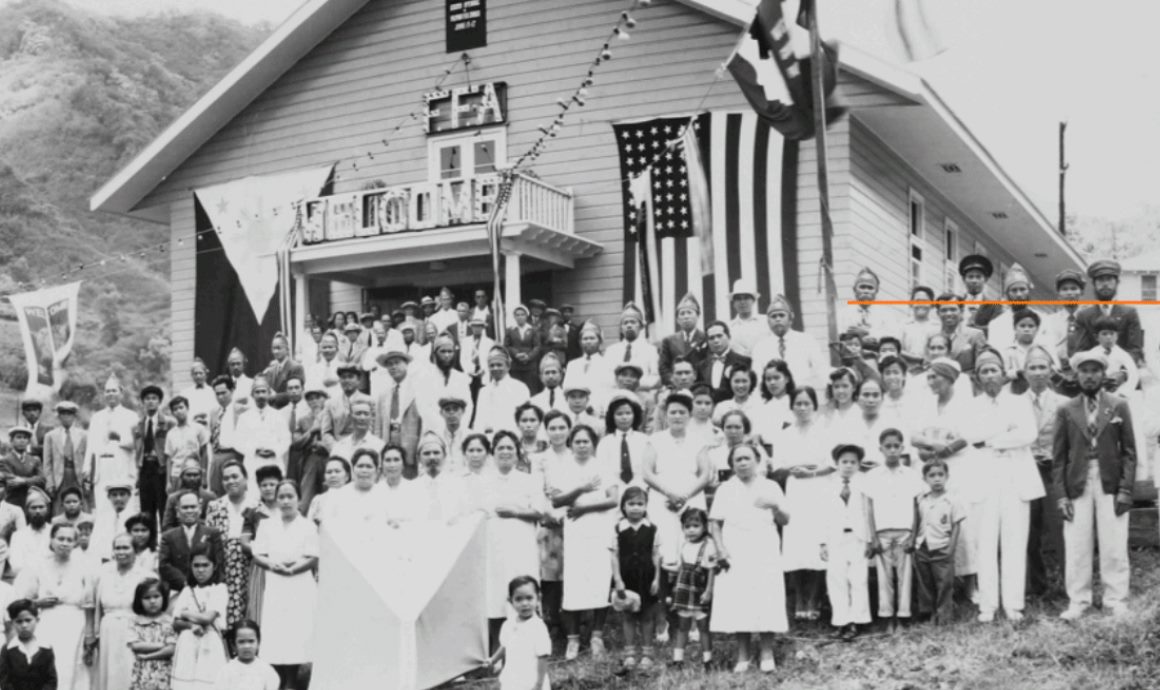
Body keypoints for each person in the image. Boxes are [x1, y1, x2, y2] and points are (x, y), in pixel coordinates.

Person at [1054, 350, 1136, 620]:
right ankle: (1079, 600)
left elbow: (1129, 452)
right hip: (1078, 478)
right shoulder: (1067, 409)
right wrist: (1062, 496)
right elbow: (1058, 458)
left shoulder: (1118, 405)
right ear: (1076, 376)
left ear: (1103, 374)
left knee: (1113, 541)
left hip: (1109, 480)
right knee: (1077, 542)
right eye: (1084, 371)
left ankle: (1115, 598)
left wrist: (1125, 489)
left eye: (1095, 370)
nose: (1090, 376)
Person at [968, 350, 1041, 623]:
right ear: (977, 378)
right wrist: (1005, 431)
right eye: (984, 372)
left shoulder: (1018, 402)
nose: (990, 376)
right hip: (984, 476)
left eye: (994, 370)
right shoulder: (972, 406)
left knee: (1014, 540)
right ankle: (987, 605)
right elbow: (970, 435)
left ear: (1003, 374)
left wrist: (991, 440)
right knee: (985, 542)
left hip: (1014, 476)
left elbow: (1028, 434)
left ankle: (1013, 603)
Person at [710, 442, 788, 673]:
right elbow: (714, 522)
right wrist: (720, 548)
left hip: (764, 544)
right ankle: (743, 655)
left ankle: (766, 652)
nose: (743, 463)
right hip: (735, 546)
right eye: (738, 460)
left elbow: (785, 520)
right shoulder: (725, 488)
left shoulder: (771, 485)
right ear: (732, 464)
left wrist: (775, 507)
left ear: (757, 460)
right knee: (739, 598)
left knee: (767, 595)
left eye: (747, 458)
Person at [553, 425, 618, 662]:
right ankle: (573, 639)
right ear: (571, 444)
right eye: (577, 442)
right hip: (575, 530)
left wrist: (585, 507)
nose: (582, 445)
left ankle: (596, 636)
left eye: (586, 441)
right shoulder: (563, 467)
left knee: (600, 580)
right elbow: (557, 499)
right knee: (574, 583)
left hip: (599, 528)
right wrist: (580, 489)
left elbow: (613, 500)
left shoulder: (603, 467)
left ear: (593, 443)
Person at [770, 387, 832, 620]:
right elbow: (778, 466)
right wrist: (792, 470)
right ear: (792, 406)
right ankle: (799, 599)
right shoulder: (785, 434)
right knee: (795, 545)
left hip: (819, 489)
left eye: (807, 403)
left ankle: (815, 598)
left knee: (817, 543)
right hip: (794, 490)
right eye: (798, 403)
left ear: (815, 406)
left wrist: (813, 473)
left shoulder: (824, 431)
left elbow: (832, 464)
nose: (803, 408)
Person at [251, 480, 318, 687]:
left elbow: (313, 557)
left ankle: (293, 681)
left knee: (297, 633)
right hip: (276, 584)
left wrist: (293, 569)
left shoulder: (308, 526)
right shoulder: (267, 524)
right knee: (277, 633)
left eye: (290, 496)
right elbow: (257, 554)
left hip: (300, 585)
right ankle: (279, 681)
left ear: (299, 499)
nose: (286, 501)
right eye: (282, 497)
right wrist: (273, 565)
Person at [483, 432, 543, 653]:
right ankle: (499, 651)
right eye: (500, 448)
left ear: (518, 453)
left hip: (521, 543)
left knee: (522, 589)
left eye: (510, 448)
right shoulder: (484, 481)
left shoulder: (529, 479)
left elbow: (539, 511)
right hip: (494, 546)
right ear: (493, 452)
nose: (506, 452)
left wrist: (515, 511)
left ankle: (526, 648)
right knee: (496, 595)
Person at [14, 523, 92, 690]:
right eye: (60, 538)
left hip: (75, 624)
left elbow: (89, 603)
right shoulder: (39, 565)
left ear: (75, 543)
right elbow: (23, 600)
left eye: (69, 539)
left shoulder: (84, 566)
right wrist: (37, 603)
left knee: (73, 668)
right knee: (48, 666)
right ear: (52, 540)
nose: (64, 543)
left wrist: (90, 634)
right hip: (47, 623)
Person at [645, 393, 712, 582]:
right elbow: (647, 472)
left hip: (691, 496)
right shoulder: (655, 440)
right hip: (662, 497)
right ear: (666, 415)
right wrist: (669, 493)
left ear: (689, 415)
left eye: (682, 412)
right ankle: (662, 595)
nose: (677, 416)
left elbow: (705, 474)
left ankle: (688, 597)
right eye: (673, 412)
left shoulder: (698, 441)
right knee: (663, 543)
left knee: (690, 543)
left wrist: (685, 496)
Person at [863, 428, 925, 630]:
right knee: (884, 578)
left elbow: (917, 507)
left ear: (902, 448)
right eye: (887, 446)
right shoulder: (873, 475)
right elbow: (869, 509)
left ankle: (904, 616)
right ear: (880, 449)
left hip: (904, 532)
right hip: (882, 532)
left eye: (895, 446)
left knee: (905, 577)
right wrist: (873, 537)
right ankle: (887, 616)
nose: (892, 450)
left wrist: (914, 536)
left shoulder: (911, 475)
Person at [1022, 346, 1065, 598]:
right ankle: (1036, 586)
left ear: (1051, 371)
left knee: (1060, 528)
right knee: (1029, 531)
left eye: (1042, 367)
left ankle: (1070, 585)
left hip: (1054, 473)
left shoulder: (1064, 403)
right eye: (1032, 367)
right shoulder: (1015, 404)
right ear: (1024, 373)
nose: (1038, 373)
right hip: (1026, 472)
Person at [820, 444, 872, 641]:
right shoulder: (828, 486)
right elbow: (822, 517)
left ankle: (857, 621)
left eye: (853, 462)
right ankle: (841, 621)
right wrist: (822, 543)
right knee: (836, 579)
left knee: (858, 579)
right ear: (836, 464)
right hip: (836, 538)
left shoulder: (864, 485)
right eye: (844, 462)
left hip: (858, 537)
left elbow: (869, 514)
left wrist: (869, 539)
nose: (848, 466)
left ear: (859, 465)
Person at [609, 486, 660, 673]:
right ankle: (630, 654)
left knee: (647, 616)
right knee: (628, 615)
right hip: (626, 577)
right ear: (623, 506)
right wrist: (617, 580)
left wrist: (656, 579)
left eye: (640, 504)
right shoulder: (618, 528)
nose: (636, 508)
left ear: (646, 506)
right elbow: (614, 555)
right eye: (631, 504)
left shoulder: (652, 528)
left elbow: (656, 555)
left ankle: (647, 655)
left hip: (646, 577)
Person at [93, 533, 148, 690]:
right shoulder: (103, 573)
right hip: (108, 631)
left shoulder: (145, 576)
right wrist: (95, 635)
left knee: (129, 671)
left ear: (135, 550)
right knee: (108, 673)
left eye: (126, 547)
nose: (121, 552)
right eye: (117, 548)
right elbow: (97, 607)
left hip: (133, 631)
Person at [533, 412, 571, 639]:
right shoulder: (540, 459)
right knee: (549, 574)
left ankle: (572, 619)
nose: (557, 432)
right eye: (552, 428)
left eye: (561, 427)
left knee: (571, 571)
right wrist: (548, 512)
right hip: (548, 520)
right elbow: (538, 491)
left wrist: (566, 509)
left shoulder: (576, 454)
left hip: (572, 519)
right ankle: (552, 621)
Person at [911, 460, 963, 624]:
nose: (937, 479)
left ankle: (944, 616)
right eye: (932, 475)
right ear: (925, 478)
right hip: (923, 547)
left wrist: (951, 548)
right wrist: (914, 543)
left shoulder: (952, 500)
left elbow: (956, 525)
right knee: (925, 583)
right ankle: (928, 613)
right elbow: (917, 522)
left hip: (942, 548)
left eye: (940, 475)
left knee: (944, 584)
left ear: (947, 476)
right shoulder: (921, 499)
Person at [170, 548, 227, 690]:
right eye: (196, 565)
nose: (200, 570)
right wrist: (190, 626)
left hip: (210, 641)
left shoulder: (219, 589)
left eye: (205, 565)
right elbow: (175, 623)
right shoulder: (187, 591)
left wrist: (185, 613)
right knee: (187, 682)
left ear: (214, 566)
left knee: (209, 681)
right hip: (188, 642)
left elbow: (207, 618)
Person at [205, 461, 253, 627]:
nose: (231, 481)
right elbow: (210, 541)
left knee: (251, 607)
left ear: (246, 479)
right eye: (226, 478)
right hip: (224, 568)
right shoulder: (215, 506)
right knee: (227, 612)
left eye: (235, 476)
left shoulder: (256, 504)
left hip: (251, 566)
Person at [86, 376, 140, 522]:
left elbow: (137, 444)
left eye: (114, 390)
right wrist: (87, 469)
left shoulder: (131, 416)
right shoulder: (97, 417)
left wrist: (120, 438)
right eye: (107, 391)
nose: (110, 394)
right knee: (103, 505)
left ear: (121, 392)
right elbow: (91, 445)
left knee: (124, 505)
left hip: (122, 464)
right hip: (102, 467)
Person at [669, 508, 716, 669]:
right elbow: (681, 567)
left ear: (704, 527)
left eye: (696, 526)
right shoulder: (683, 545)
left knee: (703, 627)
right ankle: (677, 659)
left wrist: (709, 591)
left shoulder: (708, 546)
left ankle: (708, 660)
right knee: (683, 626)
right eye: (687, 526)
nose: (691, 530)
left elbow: (711, 570)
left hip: (700, 590)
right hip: (684, 590)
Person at [1074, 259, 1144, 366]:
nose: (1105, 284)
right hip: (1093, 372)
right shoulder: (1083, 316)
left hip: (1125, 372)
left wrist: (1122, 371)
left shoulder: (1130, 313)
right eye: (1101, 280)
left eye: (1109, 279)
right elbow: (1081, 350)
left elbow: (1135, 349)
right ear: (1094, 284)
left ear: (1117, 282)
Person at [750, 295, 827, 390]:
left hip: (801, 397)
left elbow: (821, 369)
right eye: (773, 316)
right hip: (773, 399)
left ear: (790, 318)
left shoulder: (807, 340)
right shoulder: (760, 347)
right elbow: (757, 379)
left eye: (781, 315)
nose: (778, 319)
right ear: (768, 321)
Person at [488, 576, 550, 690]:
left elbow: (543, 657)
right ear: (510, 601)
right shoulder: (508, 624)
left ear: (538, 598)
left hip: (531, 680)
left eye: (529, 598)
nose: (524, 603)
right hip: (513, 678)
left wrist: (539, 684)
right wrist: (493, 659)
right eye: (518, 599)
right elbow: (505, 645)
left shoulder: (538, 627)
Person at [158, 492, 225, 595]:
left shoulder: (212, 533)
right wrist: (184, 583)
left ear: (200, 509)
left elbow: (219, 562)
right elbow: (164, 565)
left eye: (193, 507)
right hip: (178, 590)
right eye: (185, 508)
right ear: (177, 511)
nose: (189, 511)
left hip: (208, 589)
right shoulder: (168, 536)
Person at [235, 378, 291, 496]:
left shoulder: (278, 416)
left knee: (275, 493)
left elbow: (286, 439)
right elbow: (238, 442)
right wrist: (255, 450)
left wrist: (274, 450)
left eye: (263, 391)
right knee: (253, 495)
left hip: (273, 461)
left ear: (269, 393)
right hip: (253, 462)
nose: (261, 395)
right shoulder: (244, 417)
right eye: (257, 392)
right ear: (252, 395)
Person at [242, 466, 282, 625]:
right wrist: (263, 551)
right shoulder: (253, 512)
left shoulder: (288, 509)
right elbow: (244, 543)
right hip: (261, 566)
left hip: (285, 562)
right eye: (264, 485)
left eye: (272, 484)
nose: (268, 488)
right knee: (260, 606)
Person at [1039, 269, 1086, 395]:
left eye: (1074, 288)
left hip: (1085, 376)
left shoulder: (1090, 318)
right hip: (1058, 379)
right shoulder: (1048, 321)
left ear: (1081, 291)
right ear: (1059, 294)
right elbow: (1045, 350)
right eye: (1064, 289)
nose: (1070, 293)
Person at [371, 351, 420, 472]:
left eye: (397, 363)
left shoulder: (417, 390)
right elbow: (378, 427)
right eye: (389, 364)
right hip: (389, 442)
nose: (393, 367)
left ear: (406, 364)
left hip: (410, 444)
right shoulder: (384, 394)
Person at [128, 578, 176, 690]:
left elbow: (171, 650)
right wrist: (163, 645)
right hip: (142, 673)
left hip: (164, 673)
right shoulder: (135, 621)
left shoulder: (168, 621)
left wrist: (147, 656)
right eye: (147, 598)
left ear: (164, 598)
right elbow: (136, 645)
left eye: (156, 596)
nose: (152, 601)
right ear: (139, 600)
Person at [596, 395, 651, 491]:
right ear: (612, 417)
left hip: (641, 488)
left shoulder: (644, 440)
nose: (624, 417)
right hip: (613, 490)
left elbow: (649, 470)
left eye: (628, 413)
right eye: (619, 414)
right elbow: (603, 472)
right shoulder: (605, 443)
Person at [473, 348, 531, 436]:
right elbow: (478, 422)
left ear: (508, 366)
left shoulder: (519, 388)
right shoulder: (484, 391)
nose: (495, 368)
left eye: (499, 365)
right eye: (492, 365)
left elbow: (524, 420)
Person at [604, 303, 660, 393]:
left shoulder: (650, 350)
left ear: (641, 326)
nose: (629, 325)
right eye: (625, 323)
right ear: (621, 328)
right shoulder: (611, 351)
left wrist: (633, 383)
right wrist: (621, 383)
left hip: (640, 395)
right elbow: (606, 376)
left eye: (633, 322)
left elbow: (655, 377)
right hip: (615, 396)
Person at [0, 599, 57, 689]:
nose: (24, 625)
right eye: (19, 621)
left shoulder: (45, 648)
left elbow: (51, 680)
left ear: (37, 620)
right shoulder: (8, 649)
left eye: (28, 620)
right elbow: (4, 680)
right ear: (12, 623)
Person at [836, 267, 903, 341]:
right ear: (854, 289)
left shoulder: (887, 315)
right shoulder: (842, 314)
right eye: (862, 287)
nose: (866, 291)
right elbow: (836, 337)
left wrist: (868, 333)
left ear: (876, 291)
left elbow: (894, 337)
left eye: (870, 288)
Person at [44, 401, 87, 517]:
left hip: (78, 476)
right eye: (63, 414)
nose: (66, 417)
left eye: (69, 414)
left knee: (79, 505)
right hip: (60, 477)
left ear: (74, 416)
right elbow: (47, 463)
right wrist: (50, 483)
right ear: (59, 416)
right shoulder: (51, 436)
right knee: (60, 508)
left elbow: (88, 459)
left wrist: (87, 479)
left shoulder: (83, 435)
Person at [934, 292, 989, 379]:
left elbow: (982, 366)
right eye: (944, 310)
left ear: (961, 311)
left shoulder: (975, 335)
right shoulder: (932, 336)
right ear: (937, 313)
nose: (948, 314)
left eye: (953, 309)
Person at [985, 263, 1039, 352]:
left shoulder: (1043, 319)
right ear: (1007, 294)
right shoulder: (997, 324)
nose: (1018, 294)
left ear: (1029, 291)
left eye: (1022, 289)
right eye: (1014, 290)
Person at [213, 620, 279, 690]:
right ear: (233, 645)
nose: (247, 646)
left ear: (258, 643)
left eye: (251, 641)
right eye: (241, 642)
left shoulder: (267, 670)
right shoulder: (226, 671)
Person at [697, 322, 752, 403]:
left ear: (729, 337)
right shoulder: (701, 366)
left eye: (719, 336)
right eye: (711, 338)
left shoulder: (744, 361)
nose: (716, 341)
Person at [208, 375, 243, 498]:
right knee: (216, 492)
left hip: (234, 454)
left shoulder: (240, 410)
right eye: (217, 394)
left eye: (223, 393)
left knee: (234, 491)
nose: (220, 397)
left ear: (232, 390)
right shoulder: (214, 412)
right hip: (217, 456)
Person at [161, 460, 216, 532]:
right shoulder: (173, 499)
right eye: (189, 475)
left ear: (201, 476)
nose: (192, 478)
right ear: (182, 476)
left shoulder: (209, 497)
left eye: (195, 475)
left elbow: (214, 524)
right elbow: (166, 526)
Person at [0, 427, 46, 512]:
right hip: (13, 502)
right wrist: (32, 479)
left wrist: (24, 481)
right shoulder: (5, 461)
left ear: (28, 442)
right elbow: (12, 482)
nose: (22, 440)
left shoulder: (35, 460)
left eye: (25, 438)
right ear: (11, 440)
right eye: (18, 437)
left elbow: (42, 479)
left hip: (32, 503)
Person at [9, 489, 52, 577]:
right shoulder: (18, 536)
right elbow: (16, 565)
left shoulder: (55, 532)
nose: (37, 511)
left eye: (41, 507)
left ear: (47, 510)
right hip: (26, 581)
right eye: (34, 507)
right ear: (27, 511)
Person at [261, 334, 307, 410]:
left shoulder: (296, 367)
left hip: (290, 410)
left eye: (279, 348)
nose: (276, 351)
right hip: (272, 412)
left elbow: (297, 392)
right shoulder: (270, 370)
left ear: (287, 349)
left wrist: (274, 397)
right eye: (274, 348)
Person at [505, 304, 543, 394]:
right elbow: (507, 346)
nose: (520, 317)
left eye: (522, 314)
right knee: (516, 391)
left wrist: (528, 356)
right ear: (514, 317)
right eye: (517, 315)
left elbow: (537, 346)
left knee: (531, 390)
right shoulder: (510, 330)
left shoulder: (533, 330)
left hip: (530, 366)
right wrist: (516, 354)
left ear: (526, 316)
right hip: (516, 367)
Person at [958, 254, 1002, 333]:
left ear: (986, 279)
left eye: (978, 277)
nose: (974, 281)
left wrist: (975, 328)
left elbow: (996, 329)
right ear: (963, 279)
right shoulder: (957, 303)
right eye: (970, 277)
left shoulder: (995, 306)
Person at [306, 458, 351, 525]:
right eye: (329, 472)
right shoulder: (318, 500)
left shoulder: (354, 498)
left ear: (347, 476)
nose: (333, 475)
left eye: (337, 471)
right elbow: (309, 527)